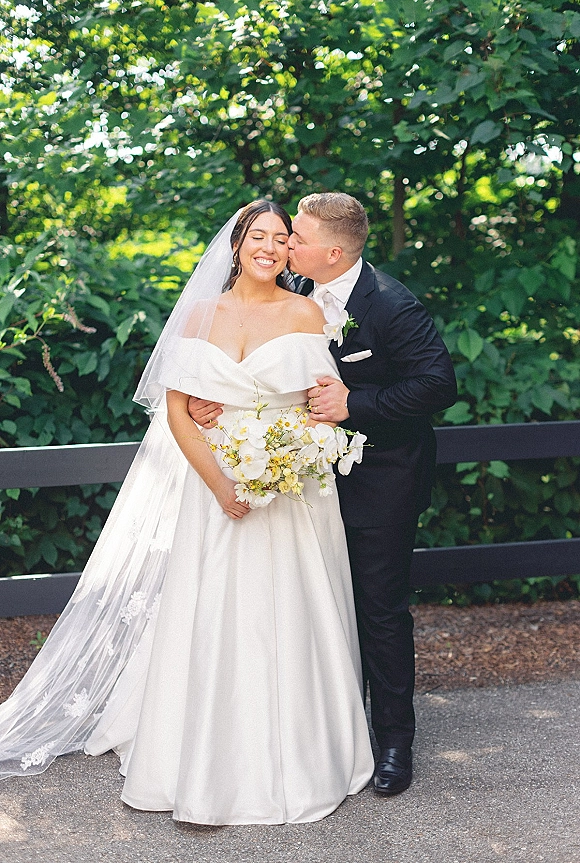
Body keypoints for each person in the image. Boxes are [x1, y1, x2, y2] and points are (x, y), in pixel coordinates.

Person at [0, 200, 374, 824]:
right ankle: (203, 760)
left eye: (283, 239)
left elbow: (317, 404)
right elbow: (178, 412)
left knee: (288, 612)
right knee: (218, 614)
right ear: (235, 245)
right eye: (260, 235)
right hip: (214, 491)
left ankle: (305, 755)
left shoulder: (306, 311)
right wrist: (224, 486)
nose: (272, 247)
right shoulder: (200, 315)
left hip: (289, 494)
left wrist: (288, 456)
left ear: (292, 253)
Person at [189, 193, 457, 796]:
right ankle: (328, 732)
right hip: (299, 482)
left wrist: (353, 405)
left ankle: (393, 743)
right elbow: (250, 355)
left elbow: (438, 385)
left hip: (381, 481)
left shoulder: (391, 306)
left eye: (296, 238)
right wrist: (215, 400)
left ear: (332, 253)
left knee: (378, 610)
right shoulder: (288, 281)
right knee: (314, 604)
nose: (284, 246)